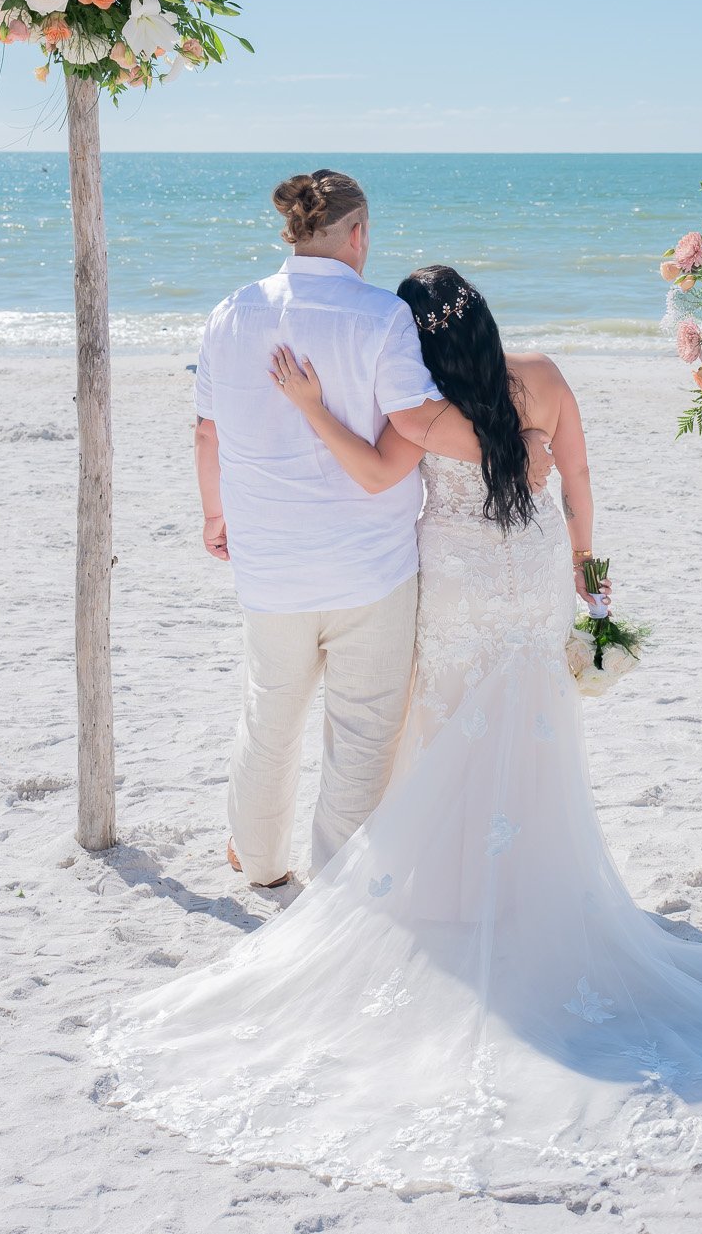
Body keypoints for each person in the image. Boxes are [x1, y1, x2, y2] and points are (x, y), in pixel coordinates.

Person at [98, 265, 702, 1193]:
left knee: (441, 728)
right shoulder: (542, 377)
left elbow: (372, 474)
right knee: (531, 728)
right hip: (534, 573)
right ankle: (531, 886)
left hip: (459, 579)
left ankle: (450, 894)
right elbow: (578, 476)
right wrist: (587, 566)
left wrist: (310, 407)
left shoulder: (420, 409)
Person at [192, 173, 552, 886]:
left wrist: (214, 514)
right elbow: (415, 422)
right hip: (370, 569)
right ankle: (335, 886)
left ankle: (261, 865)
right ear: (357, 233)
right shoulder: (382, 316)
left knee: (269, 717)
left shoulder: (231, 312)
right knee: (361, 739)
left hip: (270, 565)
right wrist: (512, 447)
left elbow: (208, 432)